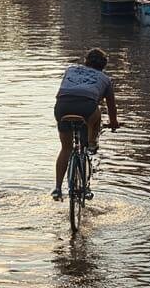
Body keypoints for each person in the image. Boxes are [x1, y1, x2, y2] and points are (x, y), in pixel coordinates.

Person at [51, 48, 120, 201]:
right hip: (86, 109)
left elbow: (62, 92)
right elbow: (111, 107)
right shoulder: (105, 79)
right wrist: (114, 123)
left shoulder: (70, 70)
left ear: (85, 61)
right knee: (97, 113)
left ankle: (57, 188)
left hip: (62, 107)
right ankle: (91, 143)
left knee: (66, 148)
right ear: (103, 65)